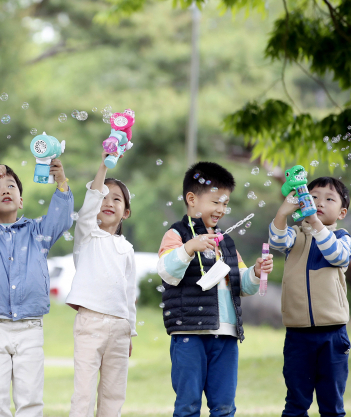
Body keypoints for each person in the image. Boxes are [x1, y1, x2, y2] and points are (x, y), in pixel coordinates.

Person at [157, 161, 273, 417]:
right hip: (189, 333)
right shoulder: (176, 235)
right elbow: (166, 271)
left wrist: (255, 272)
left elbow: (241, 284)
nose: (221, 209)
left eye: (225, 203)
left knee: (224, 406)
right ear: (192, 199)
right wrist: (189, 248)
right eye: (215, 201)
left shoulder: (227, 243)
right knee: (187, 405)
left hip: (226, 335)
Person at [0, 162, 74, 417]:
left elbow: (62, 219)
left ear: (21, 201)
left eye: (11, 185)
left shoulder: (38, 233)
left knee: (30, 398)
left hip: (30, 326)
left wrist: (62, 183)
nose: (4, 189)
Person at [268, 176, 351, 417]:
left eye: (329, 199)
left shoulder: (342, 238)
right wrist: (282, 214)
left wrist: (316, 223)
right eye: (313, 197)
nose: (319, 202)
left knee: (332, 404)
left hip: (333, 333)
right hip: (298, 333)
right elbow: (277, 240)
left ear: (342, 212)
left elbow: (338, 257)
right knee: (296, 401)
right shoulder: (294, 236)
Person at [65, 150, 137, 416]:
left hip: (119, 327)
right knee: (84, 390)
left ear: (125, 212)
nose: (108, 202)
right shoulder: (87, 235)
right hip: (90, 322)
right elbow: (89, 203)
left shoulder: (127, 248)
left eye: (116, 199)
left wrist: (130, 330)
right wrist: (104, 166)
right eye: (104, 197)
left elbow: (130, 293)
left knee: (113, 392)